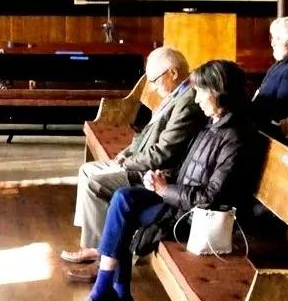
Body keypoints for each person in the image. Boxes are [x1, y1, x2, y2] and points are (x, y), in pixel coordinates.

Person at [78, 60, 266, 301]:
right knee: (123, 198)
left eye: (200, 92)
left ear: (218, 92)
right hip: (178, 201)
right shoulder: (212, 125)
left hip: (195, 218)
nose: (196, 99)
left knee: (124, 211)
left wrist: (165, 190)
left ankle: (111, 293)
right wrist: (159, 179)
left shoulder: (236, 137)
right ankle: (110, 291)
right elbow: (186, 170)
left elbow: (211, 198)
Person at [60, 47, 200, 275]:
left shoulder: (187, 101)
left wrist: (129, 163)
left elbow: (165, 153)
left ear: (173, 73)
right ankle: (93, 245)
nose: (152, 87)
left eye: (154, 80)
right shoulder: (175, 94)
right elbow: (146, 134)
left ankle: (100, 251)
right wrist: (126, 153)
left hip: (156, 172)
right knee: (86, 170)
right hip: (141, 160)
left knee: (96, 184)